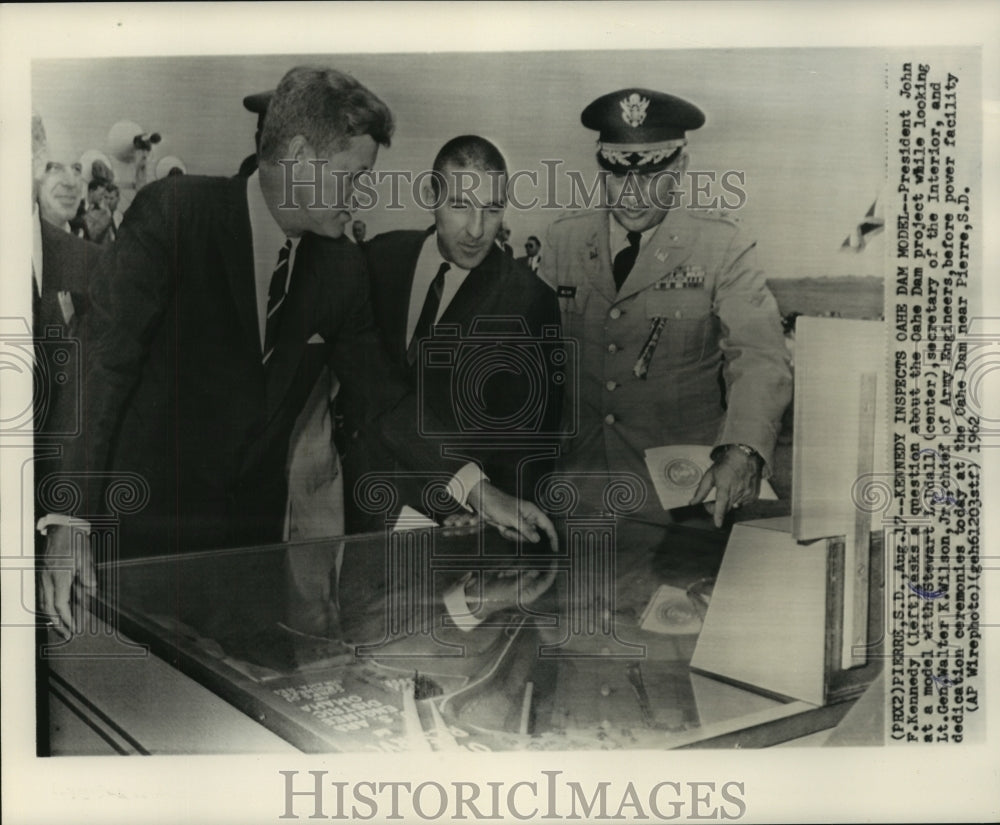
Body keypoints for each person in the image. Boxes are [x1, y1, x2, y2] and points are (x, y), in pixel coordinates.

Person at [37, 67, 556, 640]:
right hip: (131, 551)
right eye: (354, 177)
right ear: (303, 157)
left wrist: (479, 490)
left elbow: (383, 398)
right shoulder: (177, 214)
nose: (361, 195)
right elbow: (100, 364)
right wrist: (69, 516)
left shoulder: (340, 267)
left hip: (246, 562)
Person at [540, 88, 792, 528]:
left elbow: (759, 357)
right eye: (618, 174)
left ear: (681, 167)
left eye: (651, 175)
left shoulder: (722, 245)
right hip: (576, 495)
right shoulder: (564, 240)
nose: (633, 193)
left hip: (684, 501)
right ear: (601, 170)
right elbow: (529, 356)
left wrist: (742, 450)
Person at [361, 135, 563, 513]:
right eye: (459, 205)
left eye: (492, 209)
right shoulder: (380, 257)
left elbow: (529, 450)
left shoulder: (529, 301)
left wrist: (491, 526)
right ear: (430, 196)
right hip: (361, 507)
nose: (476, 229)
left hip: (456, 519)